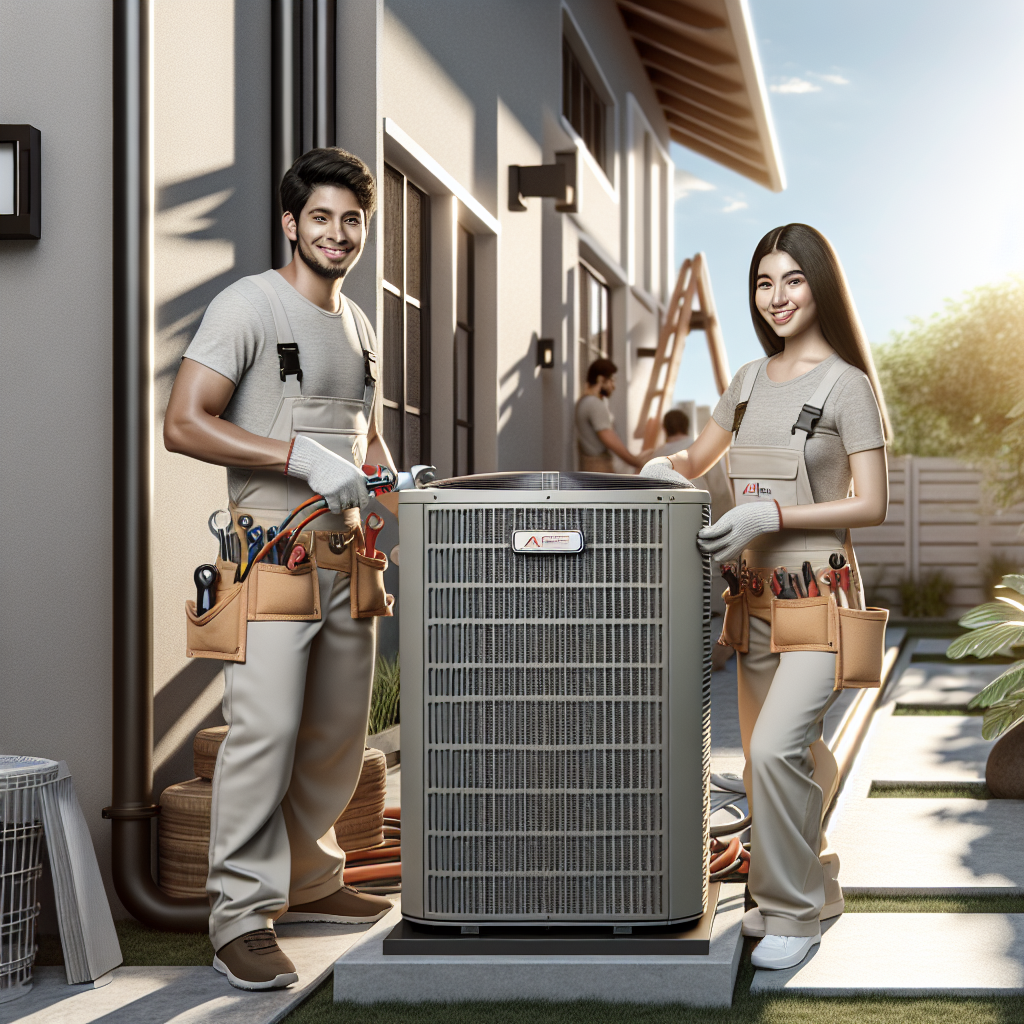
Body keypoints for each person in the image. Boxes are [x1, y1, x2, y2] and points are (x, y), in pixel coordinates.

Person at [164, 147, 394, 991]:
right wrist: (297, 455)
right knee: (263, 737)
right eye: (323, 219)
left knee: (336, 735)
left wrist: (419, 512)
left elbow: (368, 446)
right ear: (291, 224)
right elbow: (183, 422)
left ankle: (310, 876)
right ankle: (239, 915)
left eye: (353, 221)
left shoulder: (363, 326)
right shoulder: (248, 306)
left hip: (348, 556)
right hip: (269, 559)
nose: (338, 235)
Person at [642, 223, 889, 970]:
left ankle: (791, 909)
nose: (776, 297)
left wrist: (772, 514)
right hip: (754, 603)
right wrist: (661, 471)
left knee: (780, 747)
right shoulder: (747, 382)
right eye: (763, 283)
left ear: (820, 286)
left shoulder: (849, 386)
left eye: (792, 280)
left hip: (819, 598)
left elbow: (872, 504)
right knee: (769, 756)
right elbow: (694, 459)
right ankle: (817, 879)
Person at [575, 358, 648, 471]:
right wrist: (636, 462)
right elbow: (610, 440)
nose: (613, 386)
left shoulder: (583, 402)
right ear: (601, 379)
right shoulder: (594, 404)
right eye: (612, 380)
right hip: (598, 470)